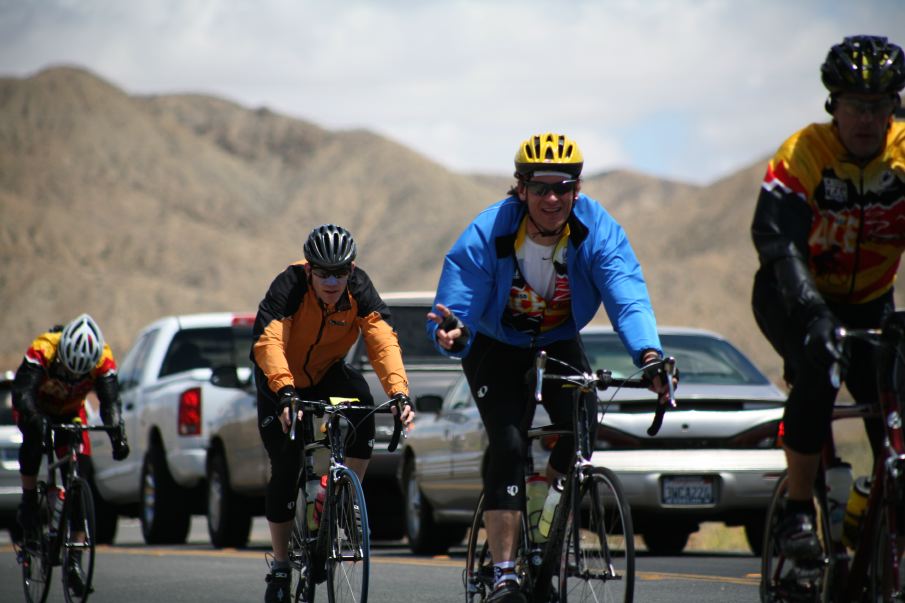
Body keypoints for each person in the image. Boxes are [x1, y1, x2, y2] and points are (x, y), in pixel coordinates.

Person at [427, 132, 674, 603]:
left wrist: (648, 354)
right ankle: (503, 572)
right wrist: (453, 331)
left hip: (558, 339)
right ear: (520, 188)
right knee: (508, 442)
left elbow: (626, 291)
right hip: (493, 346)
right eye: (540, 187)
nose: (552, 198)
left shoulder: (595, 228)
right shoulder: (491, 231)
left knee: (583, 422)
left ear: (578, 189)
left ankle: (545, 503)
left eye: (564, 186)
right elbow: (458, 299)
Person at [751, 35, 905, 564]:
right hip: (792, 293)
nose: (866, 119)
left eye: (878, 106)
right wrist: (813, 314)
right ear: (832, 106)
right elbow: (777, 241)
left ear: (895, 107)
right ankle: (797, 511)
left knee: (893, 404)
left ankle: (873, 504)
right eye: (854, 106)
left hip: (870, 300)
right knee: (819, 368)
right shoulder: (805, 153)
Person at [251, 223, 415, 603]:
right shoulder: (289, 286)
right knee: (287, 463)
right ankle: (279, 566)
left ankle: (344, 500)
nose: (331, 281)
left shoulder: (359, 290)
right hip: (279, 380)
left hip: (325, 372)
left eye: (339, 272)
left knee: (364, 406)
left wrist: (400, 393)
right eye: (322, 272)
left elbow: (383, 342)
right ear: (309, 270)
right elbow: (269, 341)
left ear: (351, 270)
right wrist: (286, 392)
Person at [12, 313, 130, 593]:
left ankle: (74, 562)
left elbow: (111, 403)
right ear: (61, 352)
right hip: (37, 408)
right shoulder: (44, 347)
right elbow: (22, 392)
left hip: (70, 413)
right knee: (32, 439)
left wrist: (117, 435)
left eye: (81, 374)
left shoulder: (104, 358)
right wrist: (34, 418)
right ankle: (29, 502)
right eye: (67, 369)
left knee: (81, 474)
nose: (74, 376)